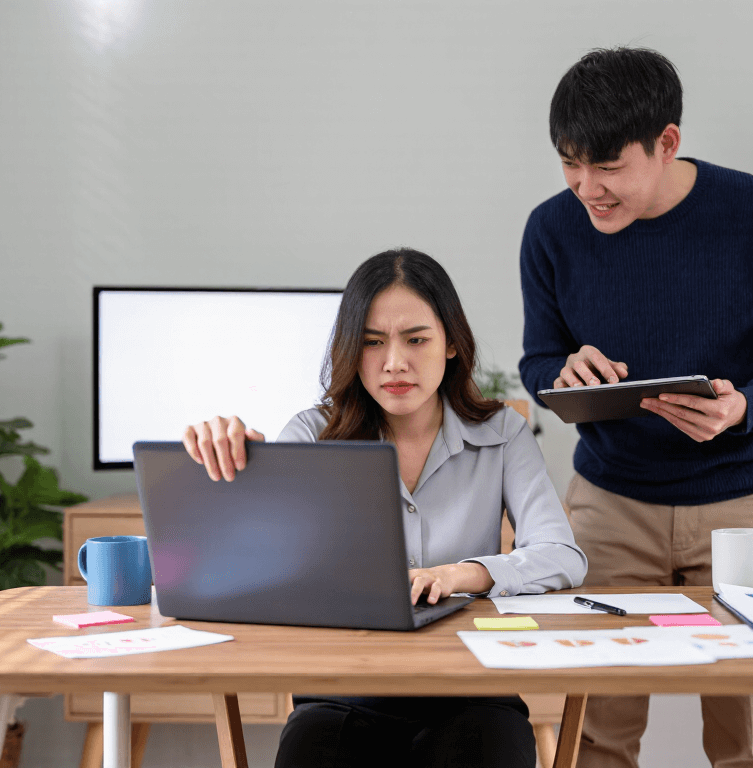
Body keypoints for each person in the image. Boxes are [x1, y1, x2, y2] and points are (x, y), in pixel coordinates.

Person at [517, 47, 753, 768]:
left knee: (750, 735)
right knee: (595, 729)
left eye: (607, 167)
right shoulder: (550, 231)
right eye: (570, 163)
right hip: (610, 504)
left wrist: (746, 406)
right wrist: (563, 371)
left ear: (667, 143)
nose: (586, 188)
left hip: (745, 504)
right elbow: (538, 360)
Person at [185, 247, 587, 768]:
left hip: (472, 693)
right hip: (341, 696)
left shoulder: (502, 432)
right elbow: (246, 558)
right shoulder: (313, 434)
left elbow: (561, 554)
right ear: (352, 351)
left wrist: (460, 574)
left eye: (416, 339)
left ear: (450, 344)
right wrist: (232, 468)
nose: (394, 362)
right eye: (373, 342)